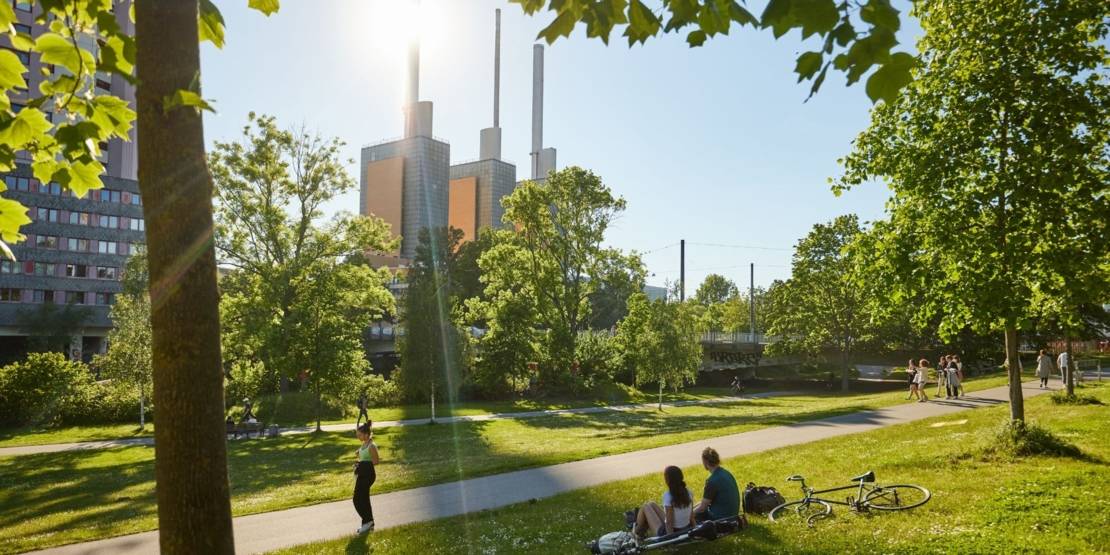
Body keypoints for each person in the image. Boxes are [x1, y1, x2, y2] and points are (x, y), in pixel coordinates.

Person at [634, 466, 696, 538]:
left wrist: (670, 538)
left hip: (669, 532)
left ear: (667, 480)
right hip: (685, 527)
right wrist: (695, 528)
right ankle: (640, 530)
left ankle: (636, 532)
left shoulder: (668, 496)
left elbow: (669, 522)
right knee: (651, 504)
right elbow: (691, 515)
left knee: (645, 507)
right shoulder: (689, 492)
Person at [692, 447, 740, 523]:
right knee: (696, 508)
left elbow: (702, 508)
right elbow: (704, 502)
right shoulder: (726, 473)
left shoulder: (712, 481)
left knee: (695, 517)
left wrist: (688, 515)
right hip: (733, 515)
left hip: (721, 519)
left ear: (705, 462)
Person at [353, 421, 380, 534]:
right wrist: (358, 458)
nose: (358, 437)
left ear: (366, 434)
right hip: (362, 474)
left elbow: (376, 461)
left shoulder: (371, 446)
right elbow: (363, 457)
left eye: (359, 435)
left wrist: (361, 464)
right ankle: (369, 522)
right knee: (362, 499)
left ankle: (367, 522)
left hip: (368, 475)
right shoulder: (364, 444)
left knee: (358, 499)